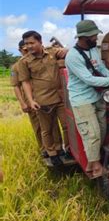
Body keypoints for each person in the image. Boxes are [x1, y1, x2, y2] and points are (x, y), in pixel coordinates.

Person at [65, 20, 109, 178]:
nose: (97, 38)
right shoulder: (73, 57)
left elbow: (101, 69)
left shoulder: (93, 50)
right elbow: (88, 79)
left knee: (102, 131)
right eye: (94, 36)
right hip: (82, 100)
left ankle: (93, 162)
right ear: (85, 37)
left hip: (97, 95)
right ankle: (95, 168)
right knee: (92, 133)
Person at [17, 31, 71, 166]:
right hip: (42, 100)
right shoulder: (24, 62)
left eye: (32, 43)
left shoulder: (52, 52)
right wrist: (30, 101)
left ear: (40, 42)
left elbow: (67, 52)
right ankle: (53, 153)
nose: (29, 46)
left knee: (66, 125)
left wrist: (66, 50)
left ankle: (69, 150)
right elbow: (25, 82)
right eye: (26, 44)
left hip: (60, 97)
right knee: (47, 129)